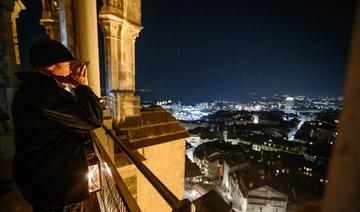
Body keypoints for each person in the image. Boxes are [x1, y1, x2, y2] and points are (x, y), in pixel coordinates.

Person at [11, 39, 103, 212]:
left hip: (49, 183)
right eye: (68, 63)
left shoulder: (35, 90)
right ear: (51, 66)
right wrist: (82, 86)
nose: (71, 68)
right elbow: (94, 118)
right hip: (58, 188)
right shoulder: (44, 95)